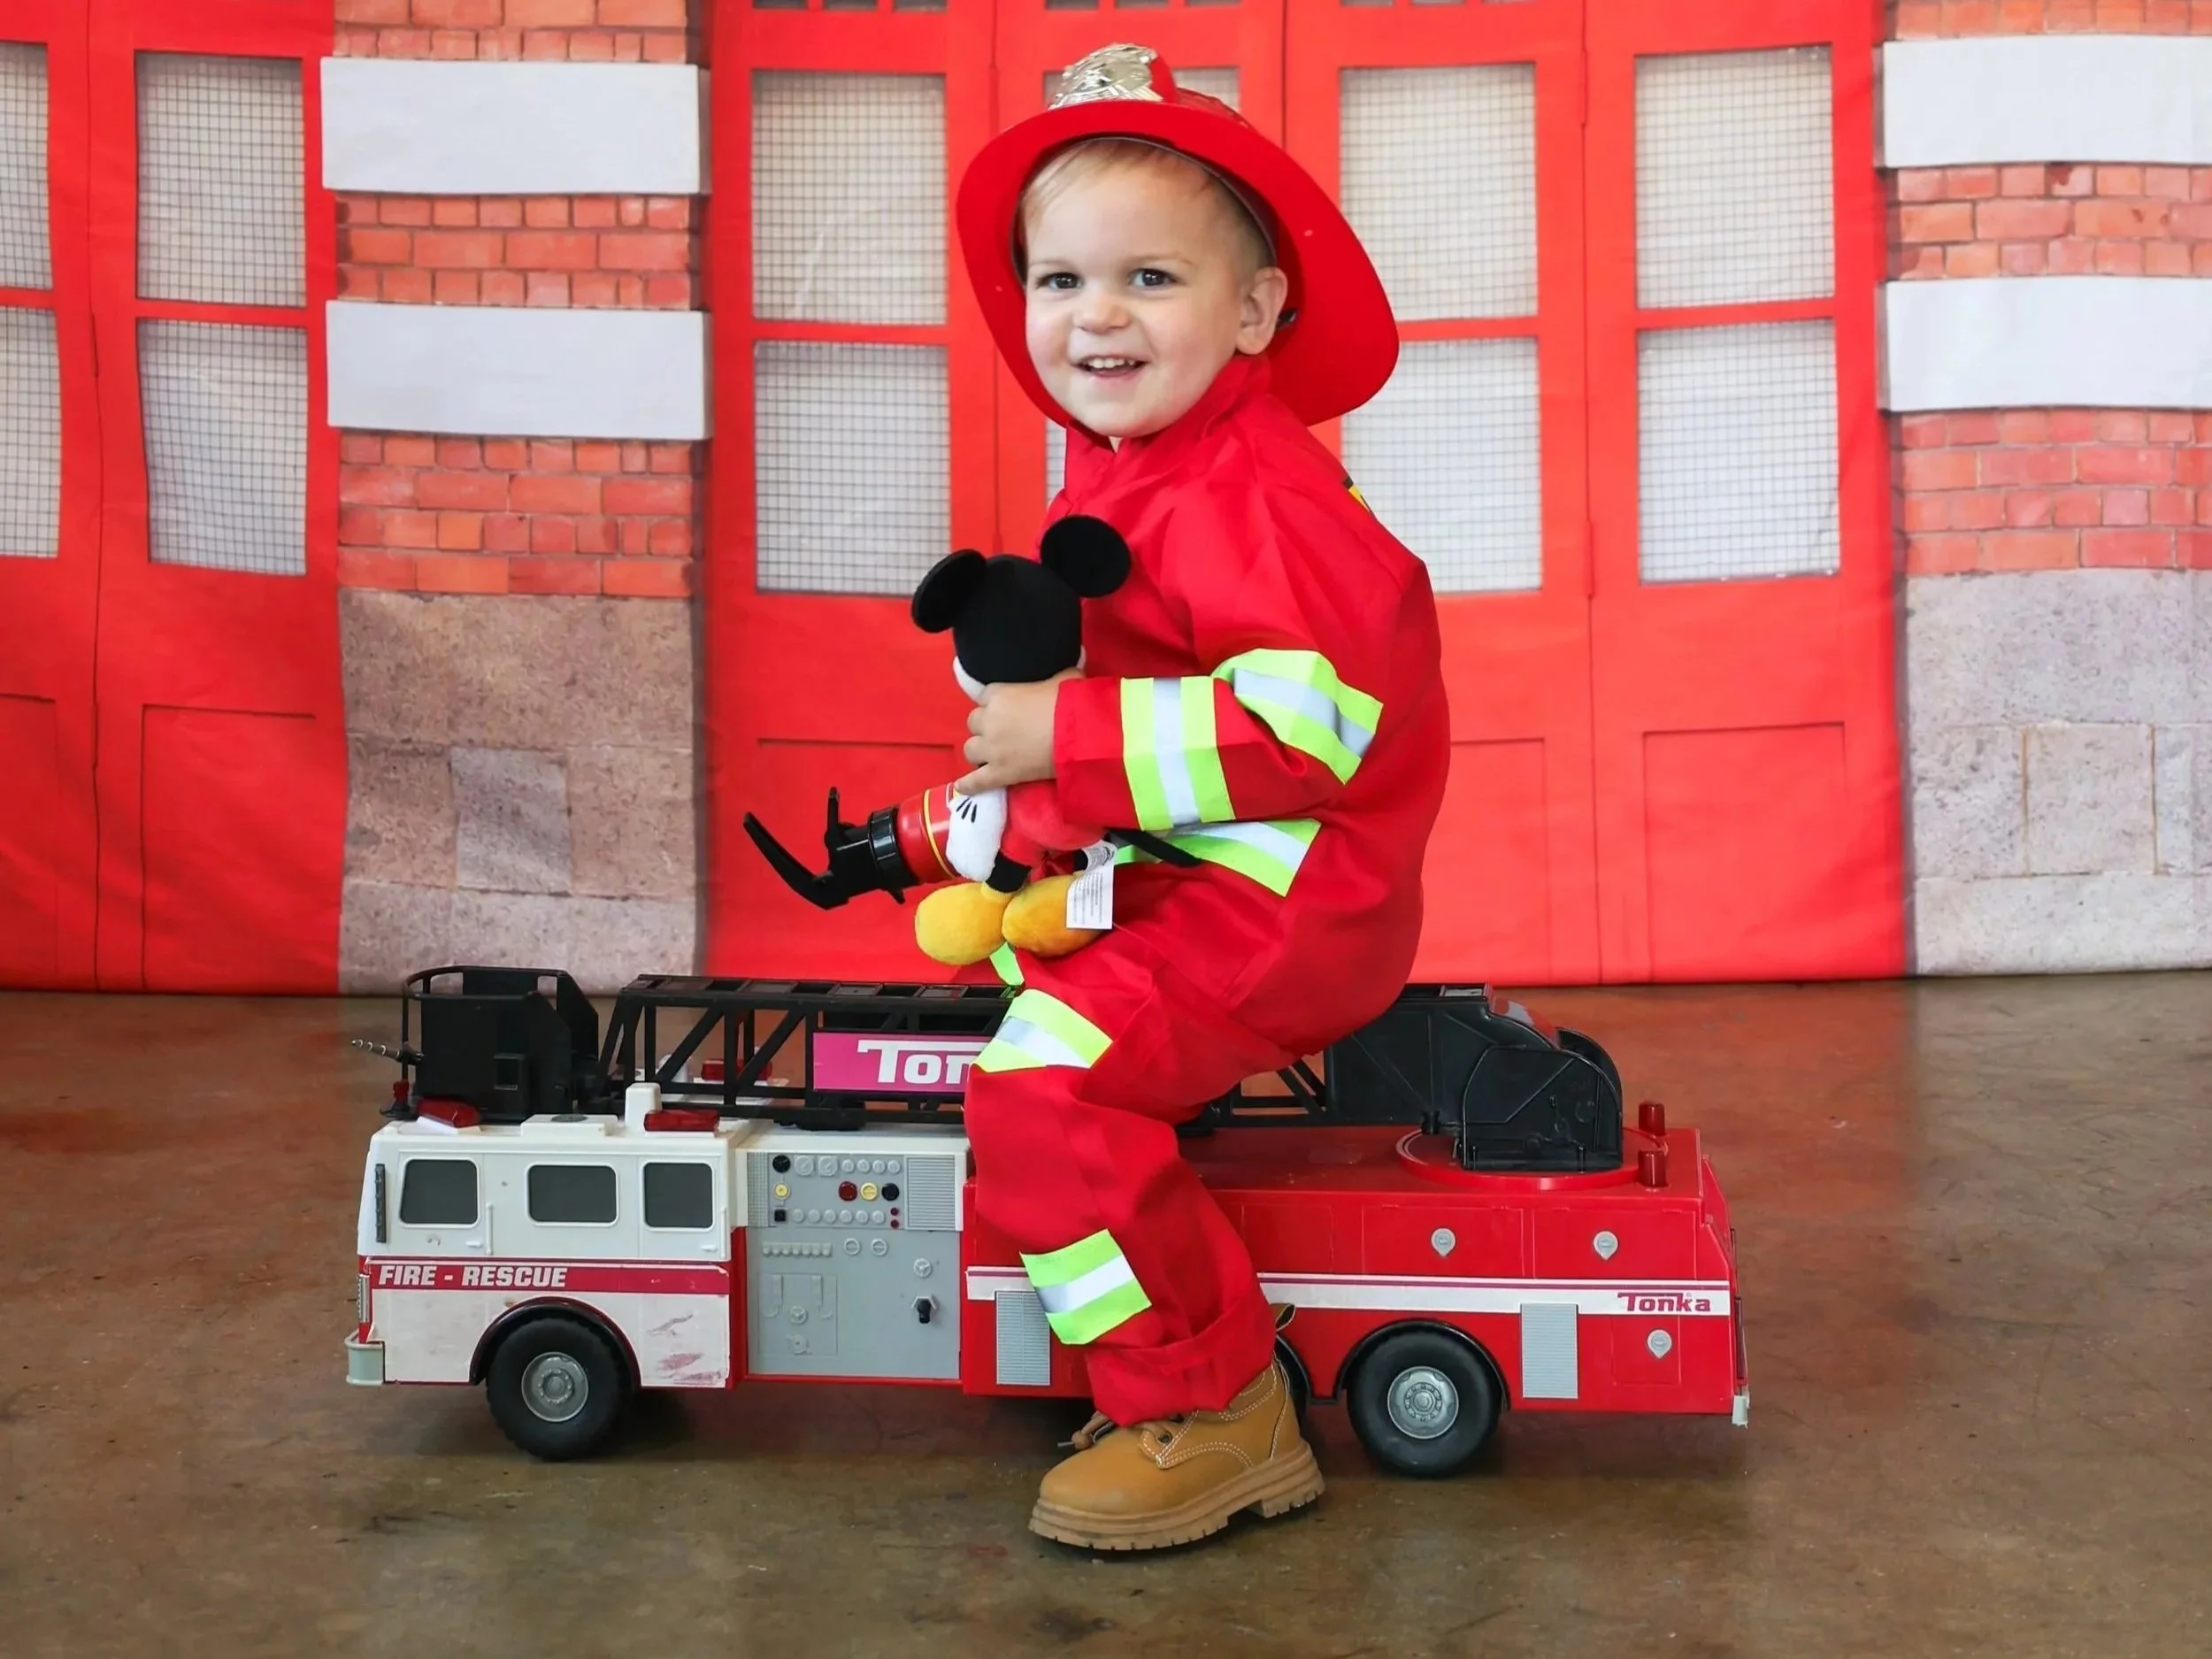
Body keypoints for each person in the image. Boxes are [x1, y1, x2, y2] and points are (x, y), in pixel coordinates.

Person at [948, 42, 1450, 1550]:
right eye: (1058, 279)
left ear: (1255, 309)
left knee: (1044, 1085)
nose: (1094, 315)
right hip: (1209, 869)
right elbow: (1123, 710)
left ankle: (1213, 1402)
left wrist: (1067, 737)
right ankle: (1151, 1354)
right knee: (1019, 1017)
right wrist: (1020, 808)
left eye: (1150, 277)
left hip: (1290, 898)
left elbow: (1316, 734)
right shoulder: (1131, 467)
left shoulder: (1258, 494)